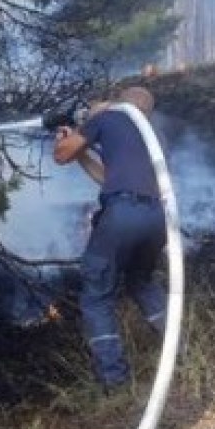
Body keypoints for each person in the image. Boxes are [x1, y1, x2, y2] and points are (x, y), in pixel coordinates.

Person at [52, 86, 167, 391]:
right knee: (141, 281)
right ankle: (177, 347)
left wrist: (68, 139)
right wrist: (83, 155)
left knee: (97, 294)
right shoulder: (152, 136)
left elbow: (61, 156)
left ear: (119, 103)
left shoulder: (110, 117)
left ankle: (113, 379)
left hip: (123, 213)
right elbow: (108, 177)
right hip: (157, 219)